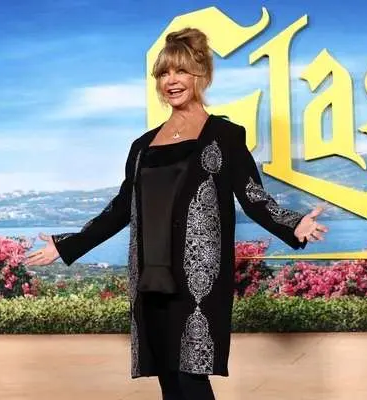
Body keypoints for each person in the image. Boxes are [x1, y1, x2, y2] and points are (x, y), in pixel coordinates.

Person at [25, 27, 328, 400]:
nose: (171, 81)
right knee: (169, 379)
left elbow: (252, 196)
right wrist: (66, 245)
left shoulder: (225, 136)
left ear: (201, 75)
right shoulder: (142, 146)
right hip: (150, 277)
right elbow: (121, 208)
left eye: (181, 71)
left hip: (198, 279)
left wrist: (294, 223)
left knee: (191, 376)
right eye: (163, 73)